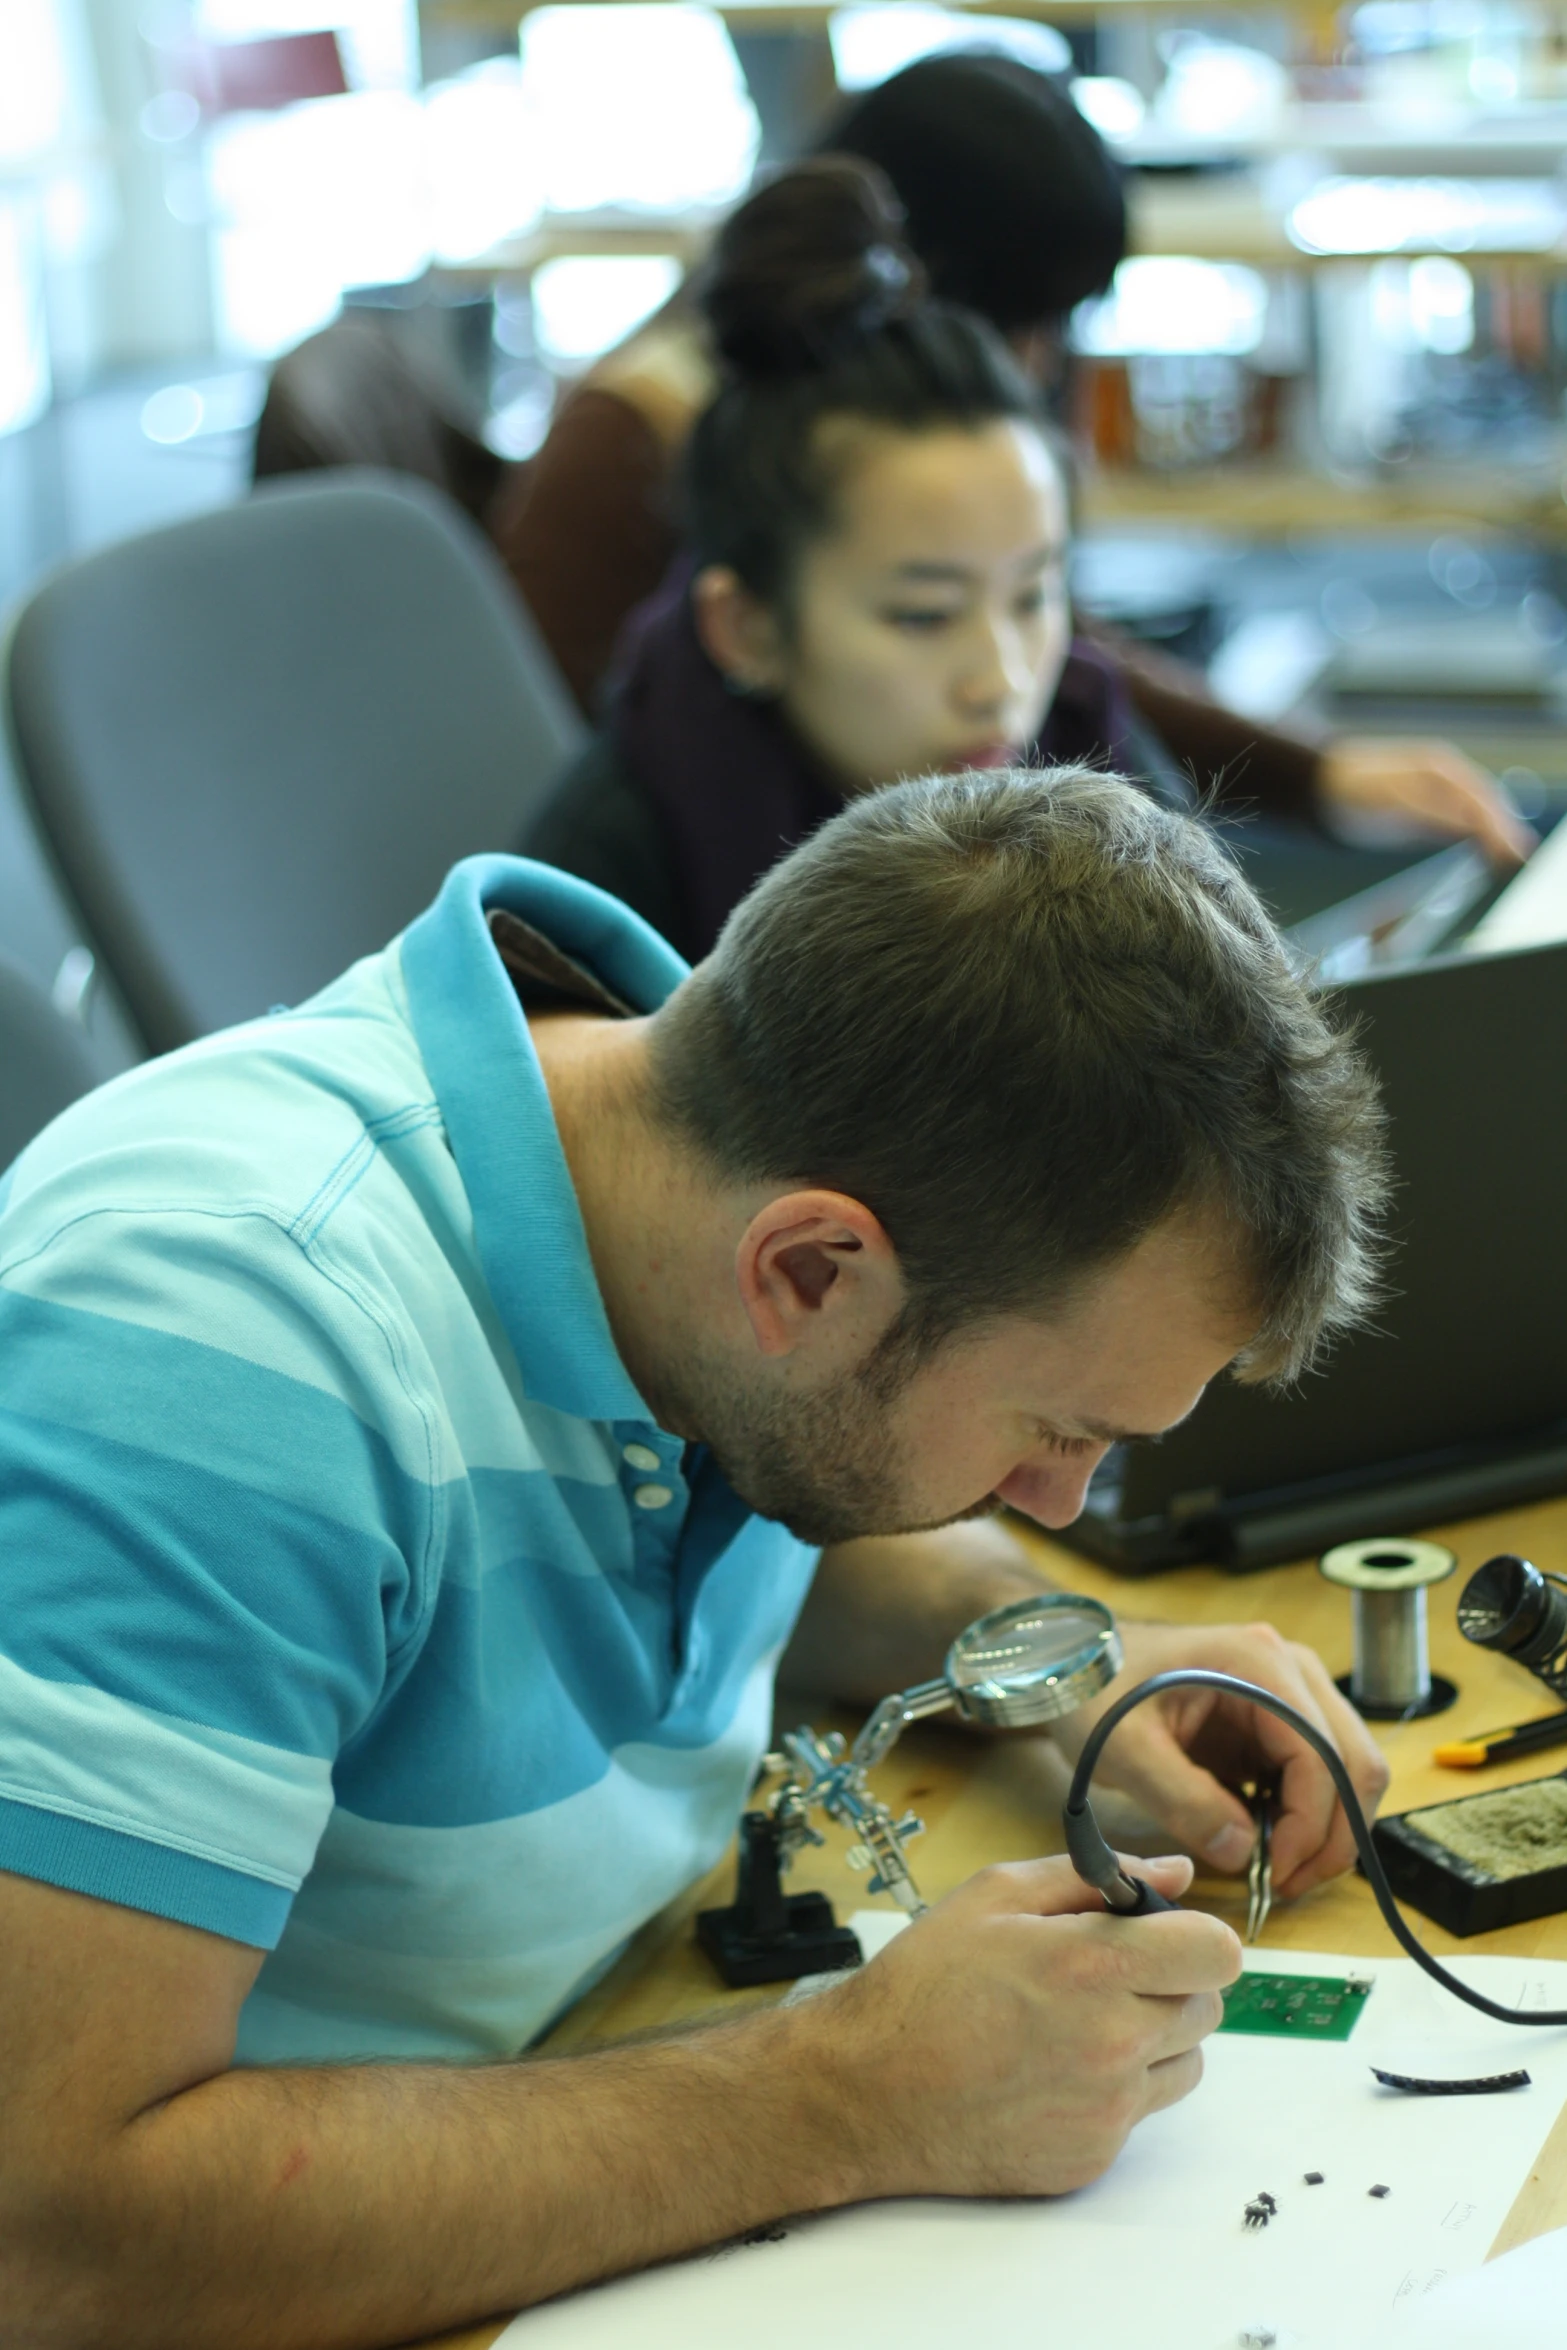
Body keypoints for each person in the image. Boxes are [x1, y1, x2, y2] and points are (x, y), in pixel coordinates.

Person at [0, 769, 1391, 2342]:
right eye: (1049, 1424)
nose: (1059, 1500)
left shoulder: (696, 1166)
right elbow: (52, 2231)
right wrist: (847, 2094)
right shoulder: (221, 1348)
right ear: (808, 1268)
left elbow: (682, 1514)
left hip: (599, 2053)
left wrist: (1055, 1662)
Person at [495, 67, 1527, 868]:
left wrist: (1319, 773)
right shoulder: (645, 449)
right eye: (1028, 321)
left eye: (1029, 598)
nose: (1002, 679)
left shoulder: (1044, 688)